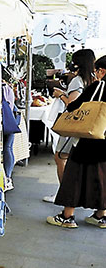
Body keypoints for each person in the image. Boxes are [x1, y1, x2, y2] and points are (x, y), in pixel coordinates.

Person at [46, 54, 106, 229]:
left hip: (88, 140)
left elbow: (74, 106)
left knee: (74, 176)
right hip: (104, 140)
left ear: (102, 71)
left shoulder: (98, 86)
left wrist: (62, 96)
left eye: (97, 71)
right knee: (100, 177)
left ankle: (67, 216)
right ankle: (101, 215)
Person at [44, 48, 95, 202]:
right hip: (86, 125)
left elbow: (72, 104)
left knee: (60, 157)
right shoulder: (92, 79)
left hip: (73, 125)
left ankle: (65, 195)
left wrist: (60, 95)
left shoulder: (77, 81)